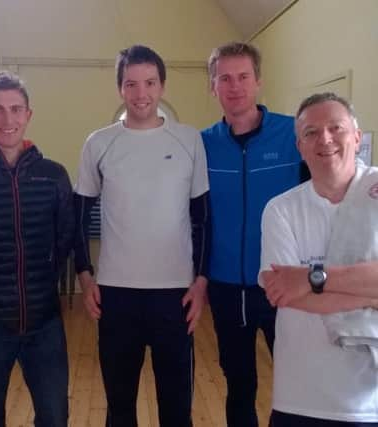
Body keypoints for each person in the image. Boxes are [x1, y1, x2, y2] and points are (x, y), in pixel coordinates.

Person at [74, 45, 210, 427]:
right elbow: (79, 217)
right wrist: (85, 277)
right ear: (120, 88)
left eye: (150, 83)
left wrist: (200, 283)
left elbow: (204, 218)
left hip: (175, 295)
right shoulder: (98, 143)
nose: (141, 94)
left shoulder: (188, 140)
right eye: (131, 84)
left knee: (177, 409)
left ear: (163, 85)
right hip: (116, 295)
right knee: (119, 409)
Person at [0, 70, 74, 427]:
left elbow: (64, 238)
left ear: (28, 114)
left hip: (44, 323)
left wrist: (43, 288)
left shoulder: (53, 175)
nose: (8, 119)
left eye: (16, 109)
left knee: (54, 417)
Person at [201, 42, 303, 427]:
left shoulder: (292, 134)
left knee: (297, 385)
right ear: (213, 87)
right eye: (224, 78)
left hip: (286, 283)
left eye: (243, 76)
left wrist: (367, 184)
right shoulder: (203, 144)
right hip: (227, 288)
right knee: (239, 386)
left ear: (258, 81)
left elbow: (337, 170)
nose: (234, 86)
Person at [260, 93, 378, 426]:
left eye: (335, 128)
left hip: (370, 401)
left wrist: (312, 278)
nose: (324, 139)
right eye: (311, 132)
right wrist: (371, 292)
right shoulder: (280, 210)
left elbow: (301, 287)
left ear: (356, 136)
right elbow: (286, 294)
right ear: (299, 146)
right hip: (300, 398)